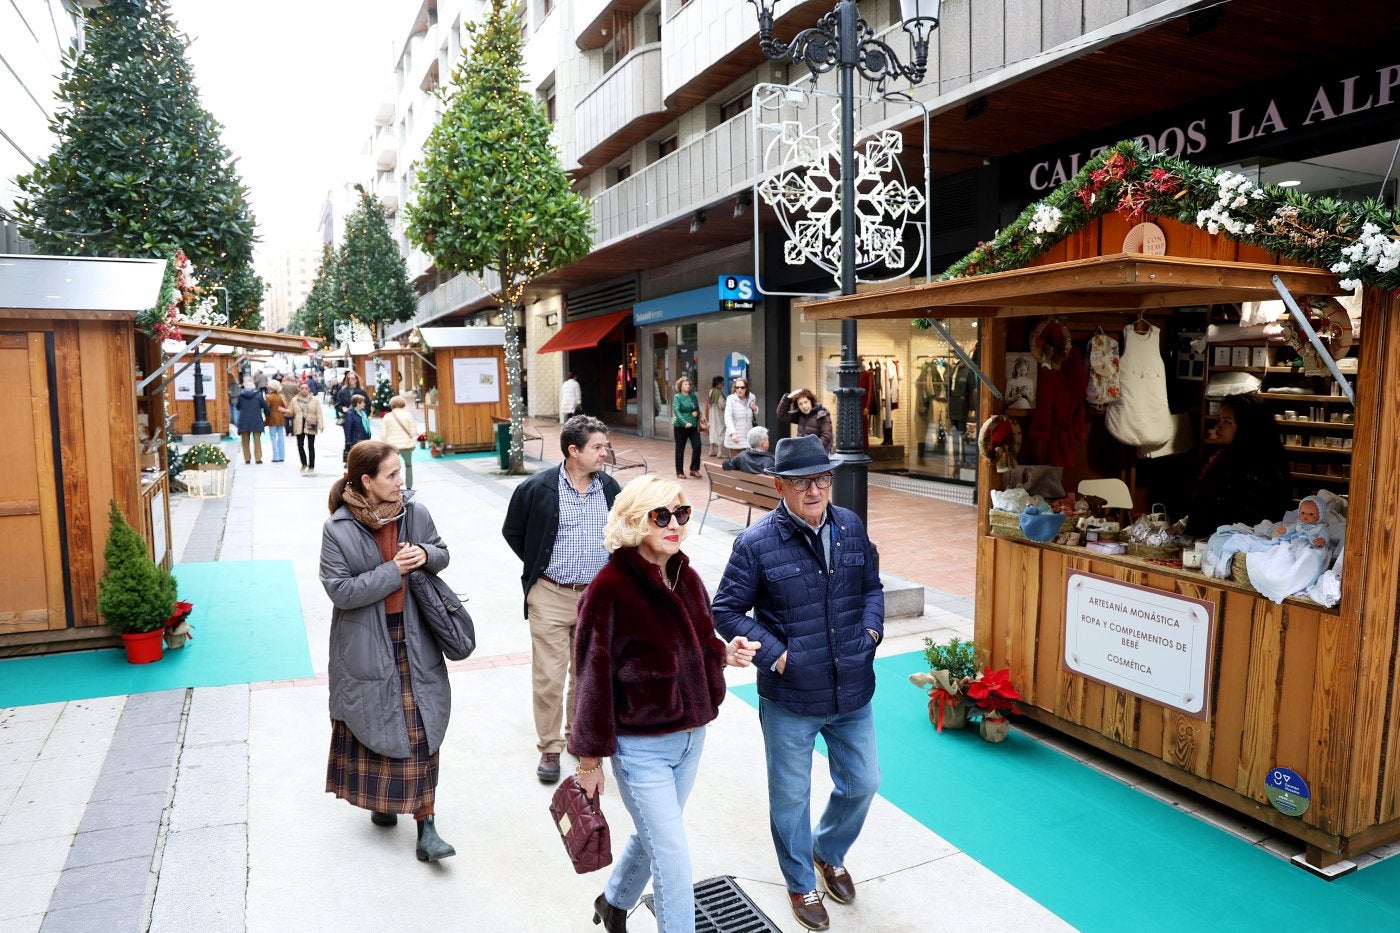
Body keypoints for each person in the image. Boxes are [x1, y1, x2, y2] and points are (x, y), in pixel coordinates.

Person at [571, 475, 759, 933]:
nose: (674, 524)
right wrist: (589, 758)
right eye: (661, 516)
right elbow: (590, 678)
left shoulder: (685, 575)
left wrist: (725, 654)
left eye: (681, 514)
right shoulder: (609, 588)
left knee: (656, 835)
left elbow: (697, 642)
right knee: (672, 854)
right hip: (641, 750)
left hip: (691, 738)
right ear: (636, 521)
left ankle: (614, 901)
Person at [712, 435, 884, 932]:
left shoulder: (850, 526)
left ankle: (828, 852)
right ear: (779, 485)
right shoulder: (756, 543)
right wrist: (779, 656)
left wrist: (870, 632)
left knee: (864, 782)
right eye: (803, 481)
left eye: (823, 477)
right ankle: (799, 880)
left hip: (852, 688)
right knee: (791, 798)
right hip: (790, 697)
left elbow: (871, 587)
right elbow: (726, 610)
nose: (816, 489)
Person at [320, 441, 455, 863]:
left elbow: (443, 553)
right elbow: (339, 591)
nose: (402, 481)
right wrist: (392, 570)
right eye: (392, 475)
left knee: (420, 725)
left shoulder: (416, 512)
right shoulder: (338, 527)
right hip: (363, 642)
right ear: (366, 481)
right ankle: (382, 799)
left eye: (401, 472)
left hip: (416, 636)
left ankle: (426, 823)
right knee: (373, 719)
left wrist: (426, 555)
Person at [501, 415, 620, 783]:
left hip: (596, 598)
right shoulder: (537, 488)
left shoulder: (611, 488)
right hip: (550, 595)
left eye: (605, 446)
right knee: (550, 676)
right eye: (597, 447)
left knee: (586, 675)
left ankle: (576, 737)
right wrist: (541, 566)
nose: (605, 453)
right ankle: (549, 748)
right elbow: (514, 532)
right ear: (574, 450)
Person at [1183, 393, 1291, 538]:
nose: (1217, 426)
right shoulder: (1228, 455)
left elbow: (1242, 519)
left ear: (1247, 427)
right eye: (1219, 420)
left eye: (1227, 422)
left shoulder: (1260, 468)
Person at [380, 395, 420, 490]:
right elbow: (413, 432)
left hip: (392, 447)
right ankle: (409, 486)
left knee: (392, 469)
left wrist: (385, 443)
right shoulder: (408, 415)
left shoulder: (387, 416)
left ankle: (393, 486)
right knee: (408, 465)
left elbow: (383, 434)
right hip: (406, 445)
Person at [671, 376, 705, 479]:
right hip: (680, 427)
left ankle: (694, 469)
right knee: (680, 449)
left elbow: (698, 409)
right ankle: (679, 471)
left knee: (697, 446)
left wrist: (697, 412)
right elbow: (676, 411)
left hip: (693, 426)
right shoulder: (677, 397)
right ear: (680, 386)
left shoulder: (693, 396)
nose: (687, 386)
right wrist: (684, 422)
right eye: (685, 384)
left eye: (688, 384)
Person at [234, 378, 270, 465]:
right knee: (257, 440)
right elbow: (264, 406)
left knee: (245, 441)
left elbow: (238, 407)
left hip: (244, 421)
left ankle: (247, 458)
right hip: (256, 420)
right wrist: (268, 414)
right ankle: (258, 459)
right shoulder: (259, 395)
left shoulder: (241, 396)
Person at [290, 381, 322, 474]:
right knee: (300, 445)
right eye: (302, 388)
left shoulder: (314, 400)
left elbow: (319, 413)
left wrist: (321, 424)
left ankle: (311, 465)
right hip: (299, 424)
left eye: (306, 388)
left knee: (311, 446)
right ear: (299, 389)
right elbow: (291, 412)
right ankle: (304, 463)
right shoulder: (294, 400)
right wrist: (285, 411)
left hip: (310, 423)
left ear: (309, 389)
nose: (304, 390)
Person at [723, 377, 759, 456]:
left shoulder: (751, 397)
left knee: (747, 464)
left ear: (746, 388)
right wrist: (733, 433)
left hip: (747, 436)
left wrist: (755, 408)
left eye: (742, 387)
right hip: (735, 437)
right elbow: (728, 418)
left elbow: (754, 413)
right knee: (735, 464)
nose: (739, 389)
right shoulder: (731, 399)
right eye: (737, 387)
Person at [264, 381, 289, 463]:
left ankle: (275, 456)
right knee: (281, 437)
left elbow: (266, 410)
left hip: (272, 419)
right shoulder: (281, 396)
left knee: (273, 437)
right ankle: (282, 456)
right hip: (281, 418)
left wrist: (266, 420)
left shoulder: (269, 397)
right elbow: (285, 406)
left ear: (271, 387)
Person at [344, 395, 372, 463]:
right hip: (356, 440)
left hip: (365, 439)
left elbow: (366, 426)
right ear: (357, 403)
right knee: (357, 460)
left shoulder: (363, 413)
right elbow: (347, 429)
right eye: (362, 402)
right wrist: (348, 441)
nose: (364, 404)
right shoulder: (350, 414)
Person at [706, 377, 726, 458]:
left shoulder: (711, 391)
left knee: (713, 431)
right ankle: (720, 452)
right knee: (721, 432)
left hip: (712, 416)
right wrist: (727, 401)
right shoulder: (718, 392)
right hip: (719, 416)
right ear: (719, 384)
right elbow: (722, 405)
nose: (723, 385)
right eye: (723, 384)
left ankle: (711, 450)